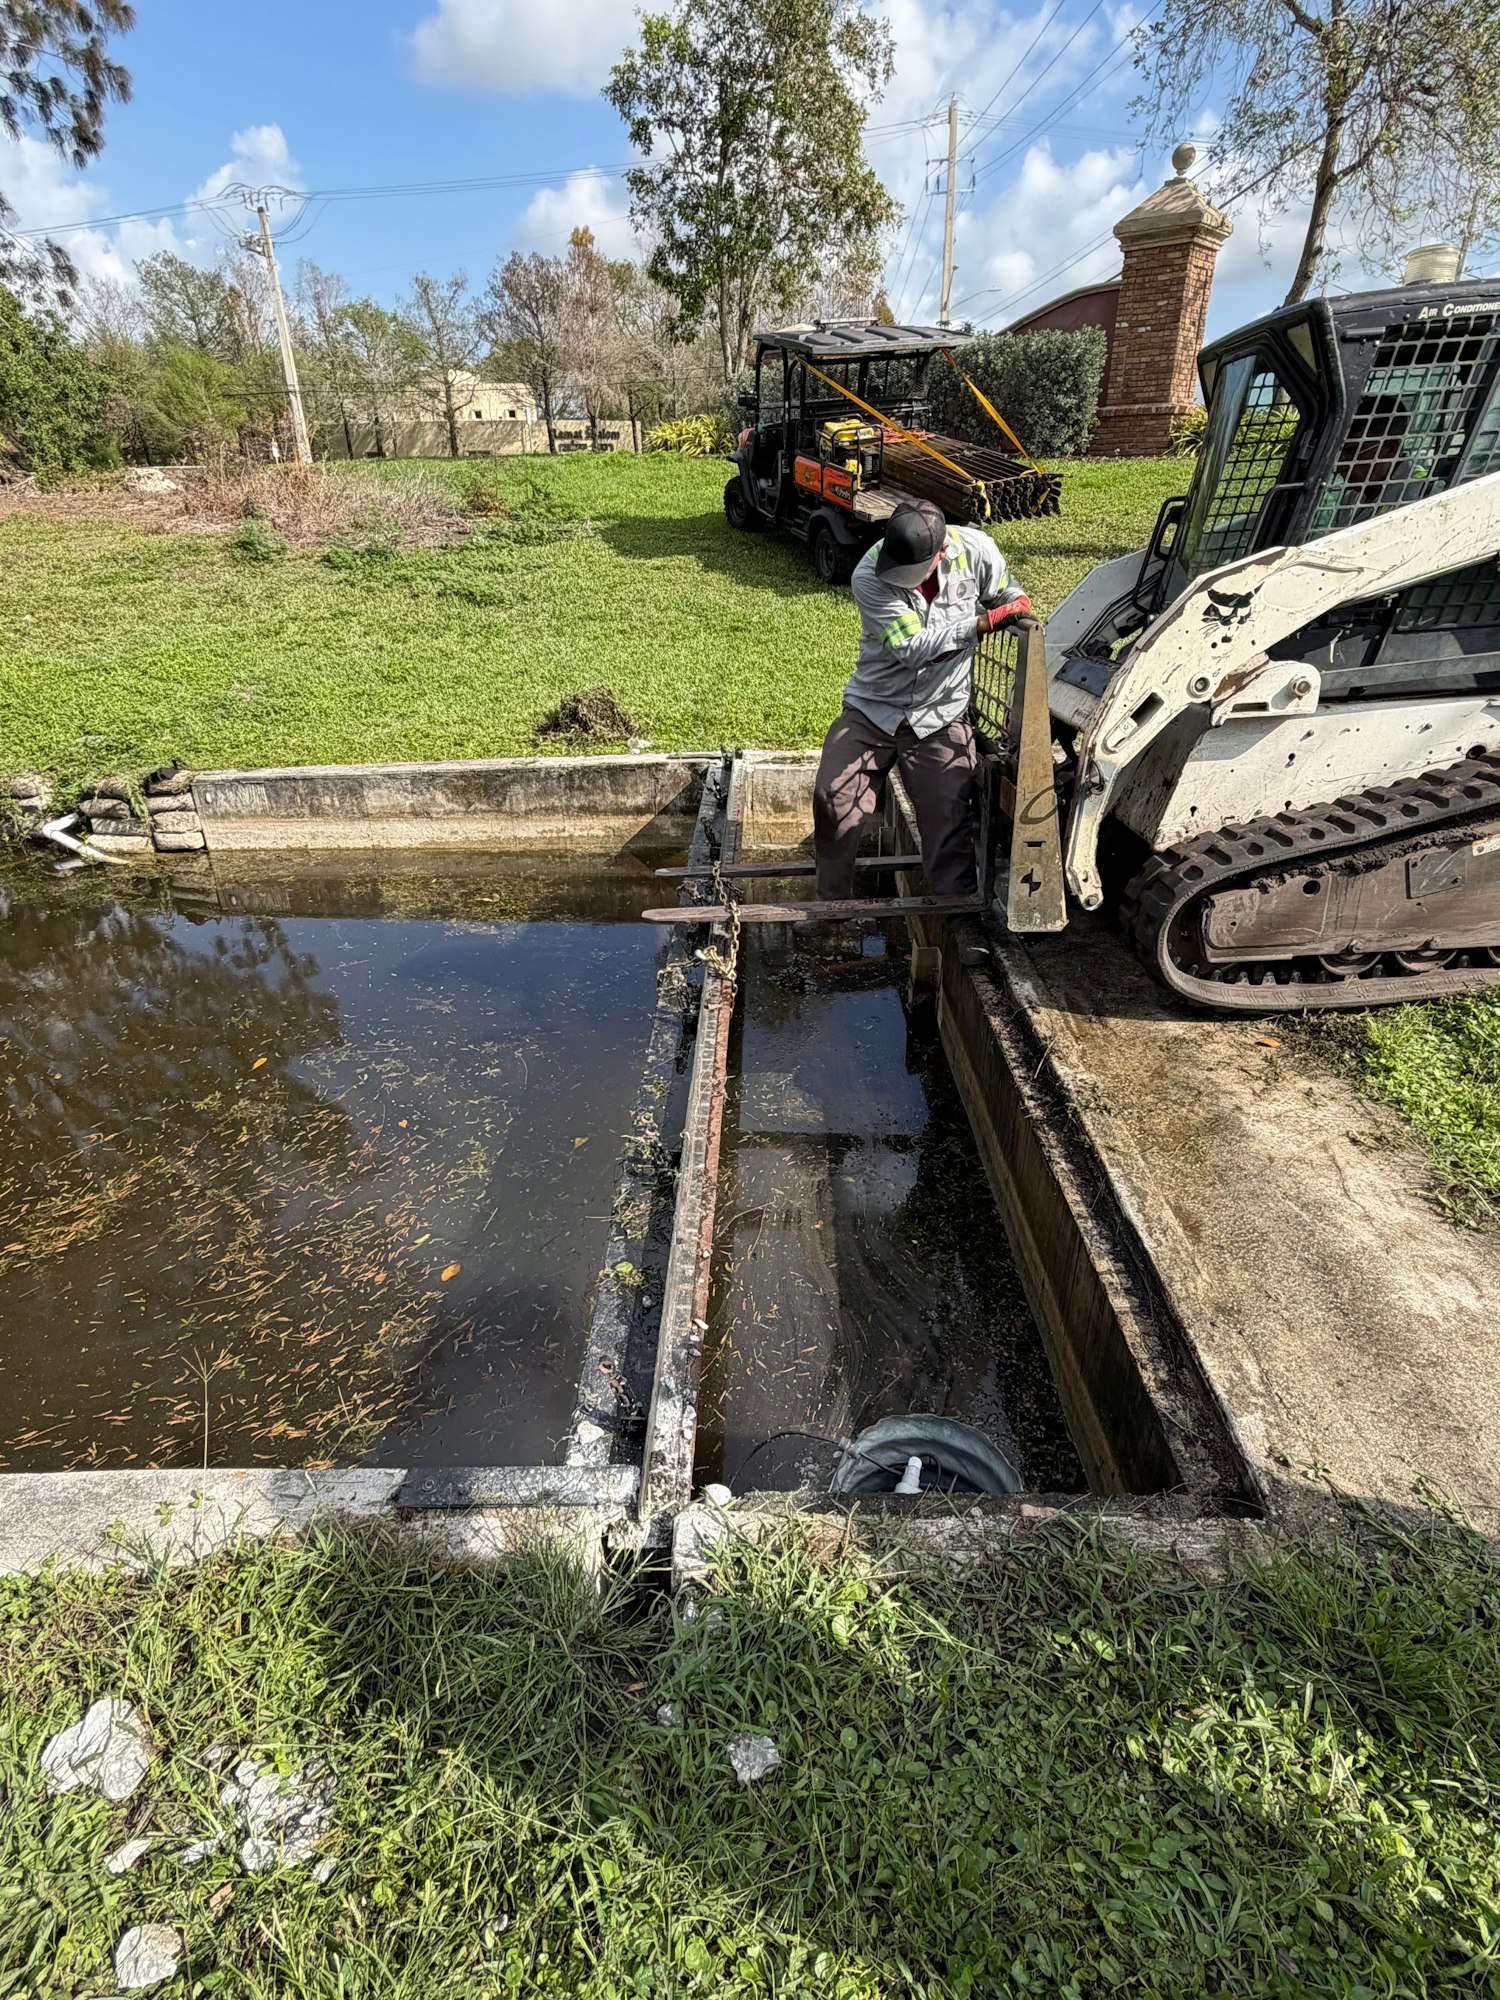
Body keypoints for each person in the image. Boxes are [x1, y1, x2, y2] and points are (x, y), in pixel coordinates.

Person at [813, 497, 1030, 900]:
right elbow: (912, 648)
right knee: (833, 798)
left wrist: (1014, 603)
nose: (902, 578)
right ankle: (831, 906)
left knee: (947, 817)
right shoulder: (868, 574)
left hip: (940, 713)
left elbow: (1005, 589)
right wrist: (983, 623)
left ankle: (954, 917)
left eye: (914, 571)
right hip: (874, 708)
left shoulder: (977, 551)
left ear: (942, 551)